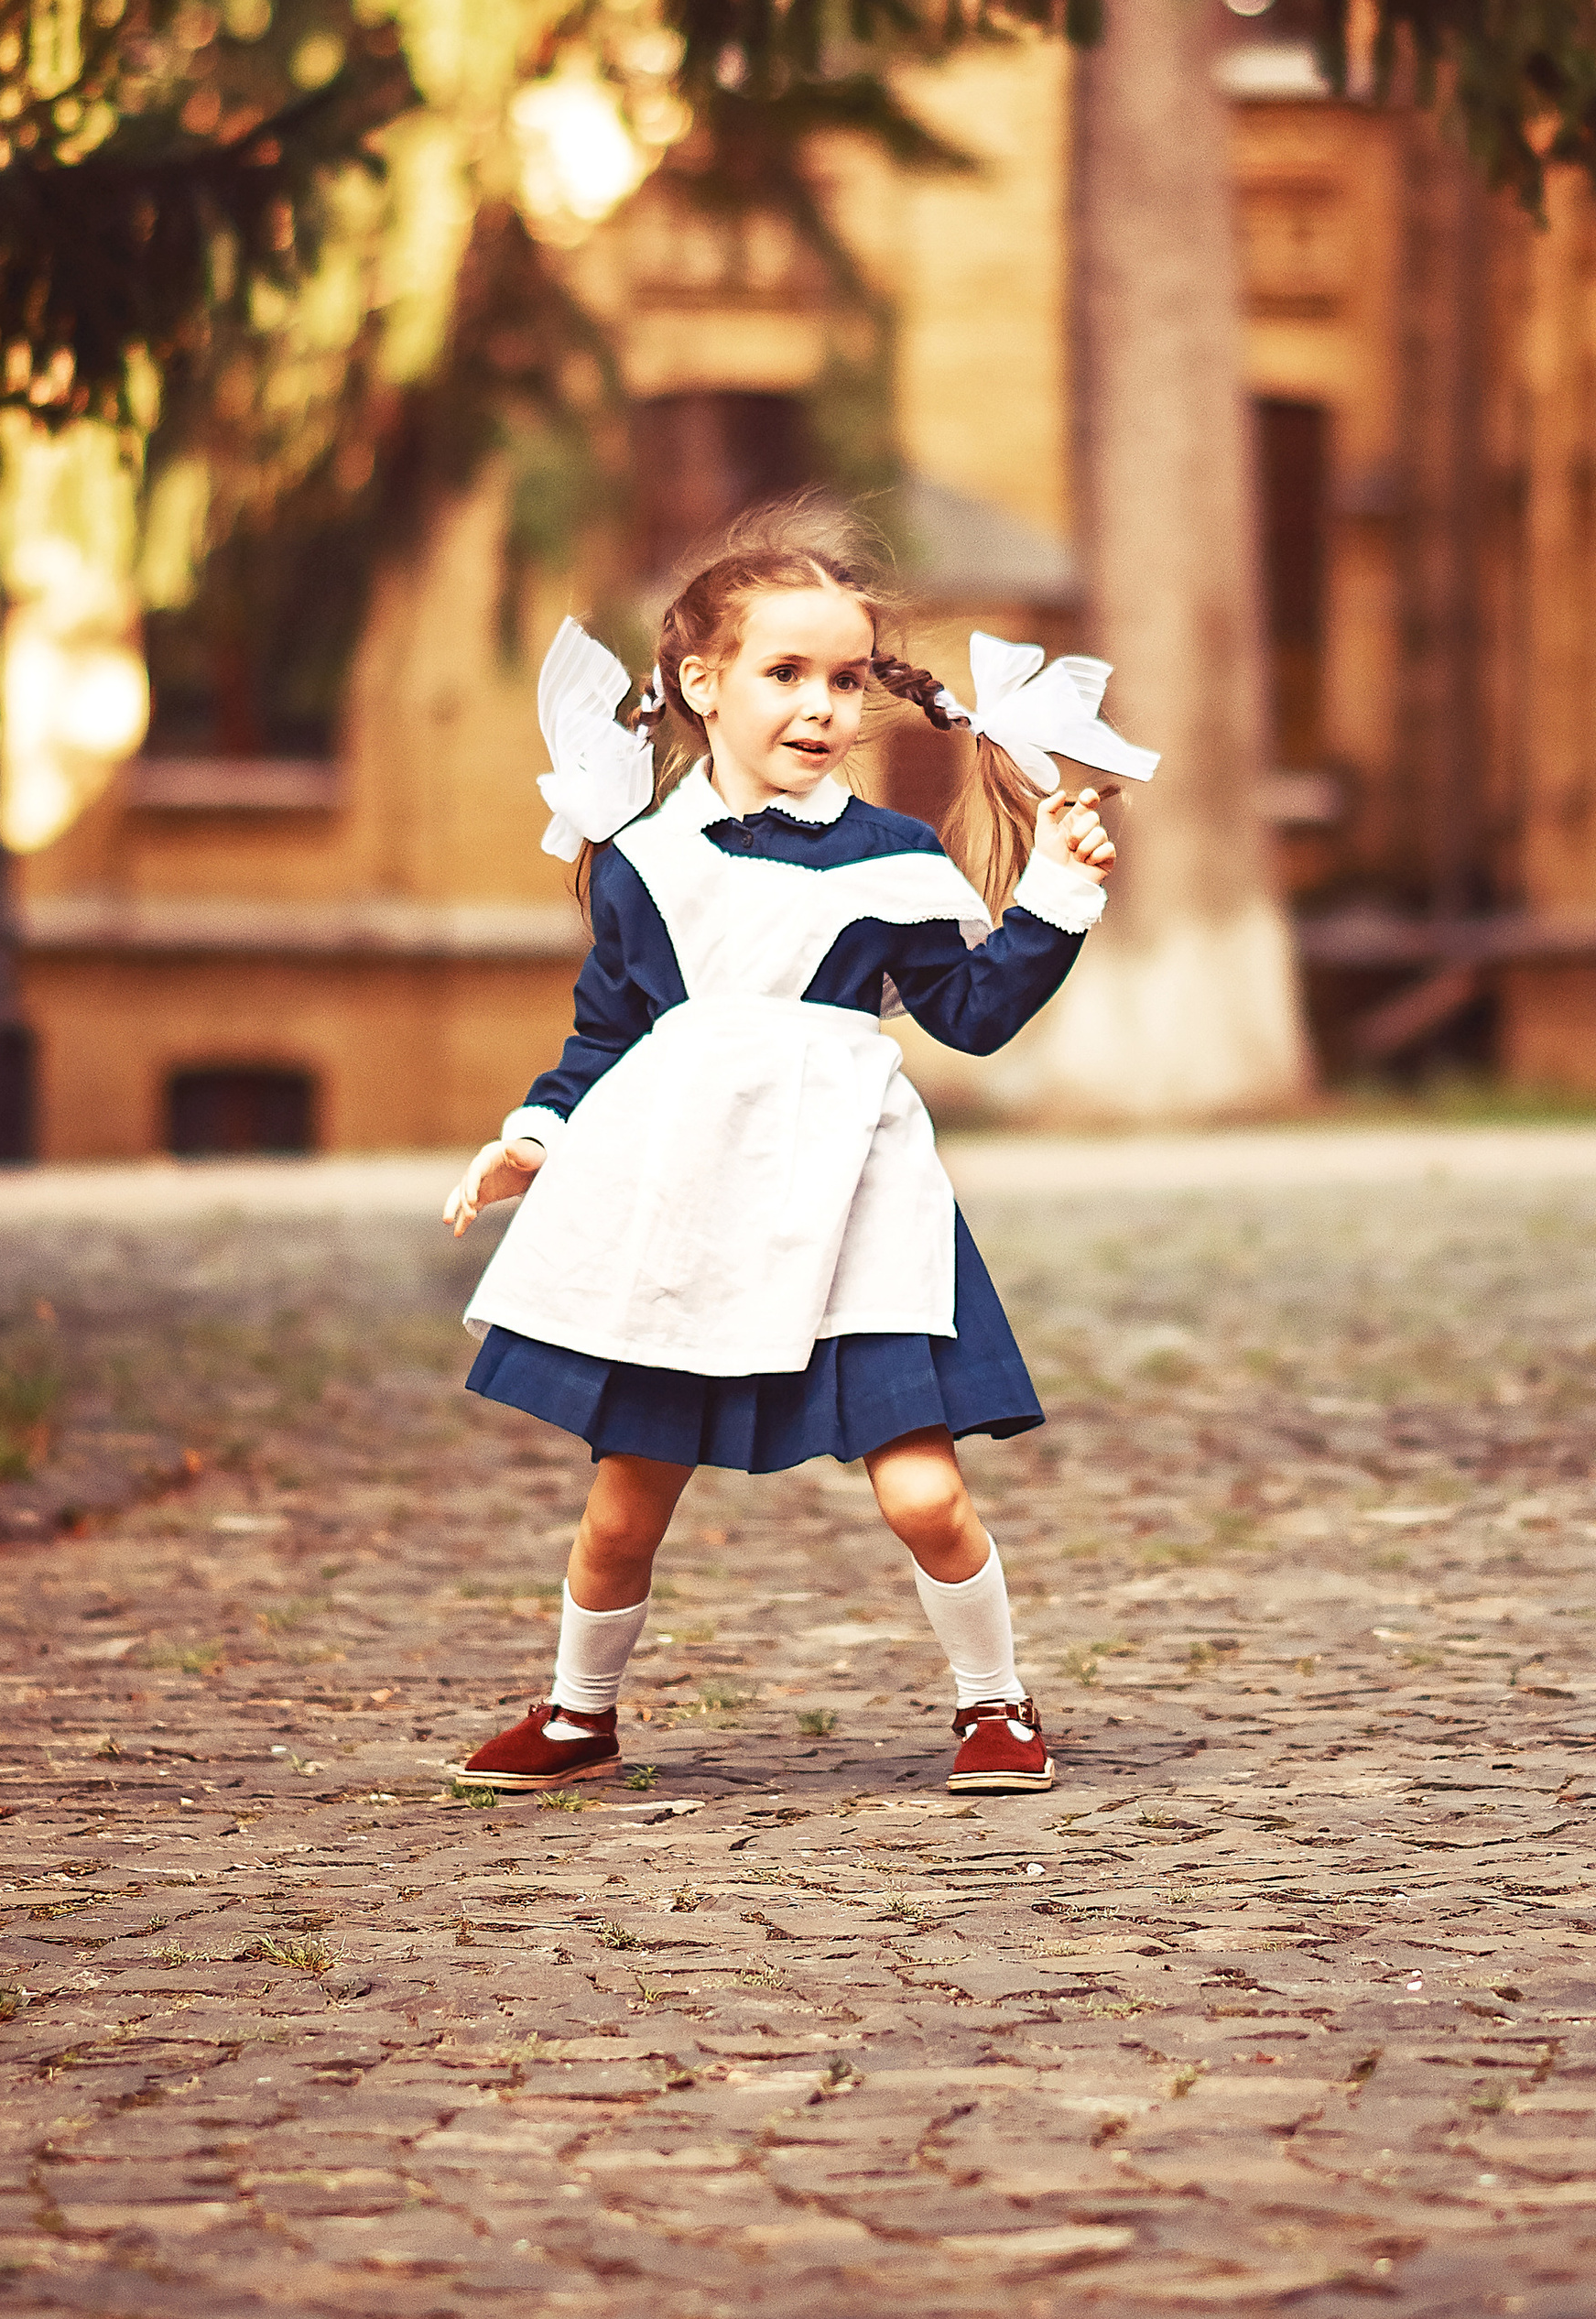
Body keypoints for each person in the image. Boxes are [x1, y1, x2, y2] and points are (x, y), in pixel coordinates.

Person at [441, 495, 1155, 1798]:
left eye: (844, 679)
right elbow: (607, 1034)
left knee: (926, 1495)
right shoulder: (642, 861)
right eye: (786, 674)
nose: (822, 707)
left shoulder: (898, 857)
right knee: (623, 1508)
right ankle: (578, 1713)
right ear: (700, 683)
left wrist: (1057, 890)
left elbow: (972, 1015)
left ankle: (994, 1703)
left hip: (855, 1194)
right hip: (686, 1197)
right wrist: (533, 1138)